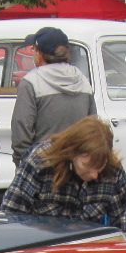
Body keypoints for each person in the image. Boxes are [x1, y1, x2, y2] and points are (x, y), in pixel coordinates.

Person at [0, 116, 126, 237]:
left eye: (99, 168)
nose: (94, 175)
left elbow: (125, 223)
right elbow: (11, 216)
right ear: (72, 152)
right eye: (87, 167)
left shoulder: (113, 170)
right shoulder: (39, 161)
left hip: (88, 252)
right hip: (43, 252)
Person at [11, 26, 95, 166]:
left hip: (43, 166)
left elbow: (21, 130)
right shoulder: (83, 81)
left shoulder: (31, 82)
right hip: (77, 166)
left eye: (34, 50)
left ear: (39, 54)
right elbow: (93, 126)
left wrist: (22, 162)